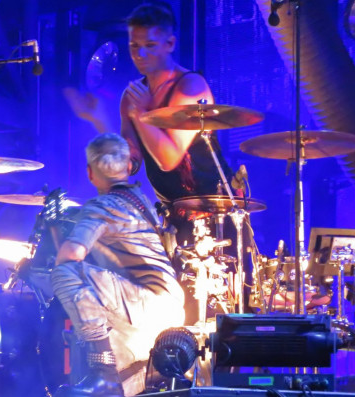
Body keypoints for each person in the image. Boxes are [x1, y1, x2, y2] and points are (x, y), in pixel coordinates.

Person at [64, 1, 236, 242]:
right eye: (134, 46)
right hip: (171, 215)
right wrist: (98, 120)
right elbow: (129, 162)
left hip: (216, 215)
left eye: (150, 45)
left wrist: (141, 113)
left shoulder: (189, 86)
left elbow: (168, 160)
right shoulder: (133, 95)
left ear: (170, 44)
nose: (140, 54)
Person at [51, 133, 185, 397]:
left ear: (90, 173)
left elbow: (72, 254)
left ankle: (104, 374)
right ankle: (133, 380)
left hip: (146, 303)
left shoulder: (103, 205)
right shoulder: (139, 199)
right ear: (129, 166)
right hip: (166, 306)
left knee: (65, 272)